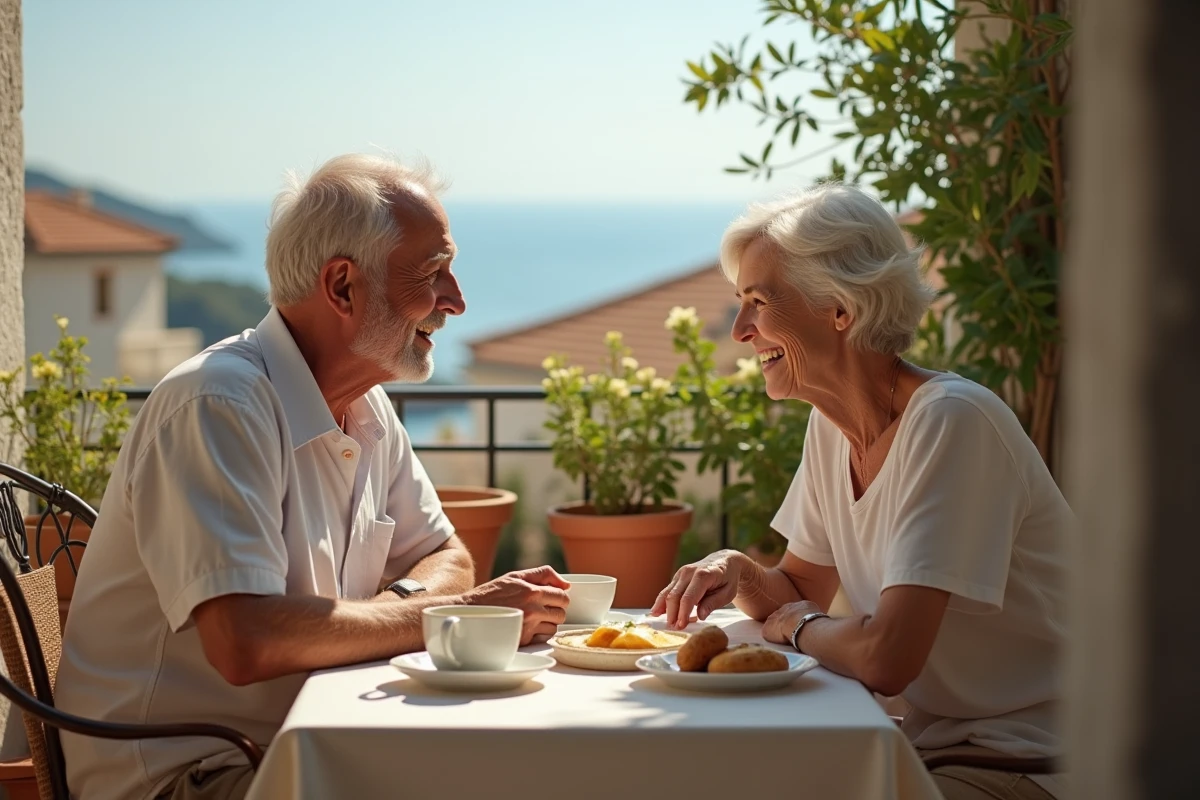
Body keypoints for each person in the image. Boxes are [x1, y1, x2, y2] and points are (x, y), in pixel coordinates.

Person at [55, 154, 571, 800]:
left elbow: (448, 555)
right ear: (343, 287)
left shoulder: (365, 404)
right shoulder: (217, 405)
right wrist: (451, 614)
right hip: (188, 775)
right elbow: (246, 642)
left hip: (303, 741)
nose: (457, 301)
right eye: (435, 272)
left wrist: (410, 606)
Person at [651, 184, 1069, 800]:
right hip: (933, 745)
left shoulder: (952, 421)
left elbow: (885, 658)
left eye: (758, 302)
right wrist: (740, 573)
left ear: (840, 310)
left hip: (1035, 759)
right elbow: (797, 591)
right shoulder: (831, 428)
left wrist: (799, 627)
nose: (740, 330)